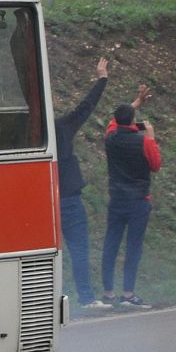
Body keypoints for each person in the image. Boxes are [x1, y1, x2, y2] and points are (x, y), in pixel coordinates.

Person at [55, 57, 110, 310]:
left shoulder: (28, 132)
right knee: (79, 250)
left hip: (42, 201)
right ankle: (86, 298)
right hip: (69, 200)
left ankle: (48, 301)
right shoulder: (63, 127)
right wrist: (102, 78)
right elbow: (86, 106)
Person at [100, 97, 162, 309]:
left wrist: (133, 105)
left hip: (117, 199)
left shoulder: (110, 137)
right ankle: (128, 293)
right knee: (133, 247)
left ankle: (108, 293)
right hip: (138, 201)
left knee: (110, 245)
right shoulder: (143, 142)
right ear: (133, 121)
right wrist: (151, 136)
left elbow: (114, 122)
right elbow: (155, 165)